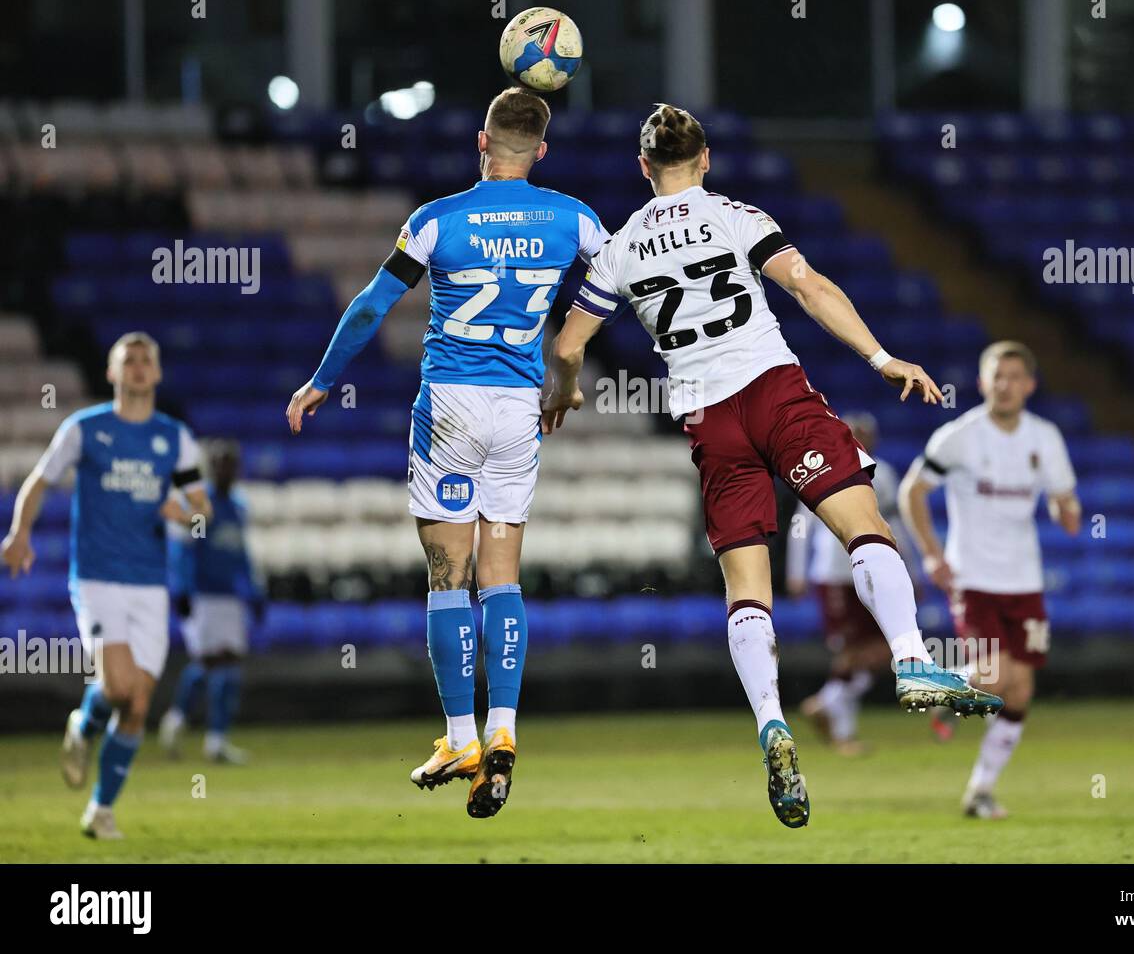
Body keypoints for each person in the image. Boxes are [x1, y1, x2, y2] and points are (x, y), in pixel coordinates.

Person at [541, 103, 1002, 829]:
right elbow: (809, 286)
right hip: (774, 391)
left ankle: (770, 723)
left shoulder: (621, 246)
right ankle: (911, 656)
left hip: (709, 420)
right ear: (706, 159)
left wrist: (565, 389)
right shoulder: (734, 214)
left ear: (643, 168)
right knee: (862, 524)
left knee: (746, 587)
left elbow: (568, 346)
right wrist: (882, 359)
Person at [286, 87, 609, 819]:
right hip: (519, 412)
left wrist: (320, 382)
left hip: (452, 408)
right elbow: (617, 284)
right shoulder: (574, 218)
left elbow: (371, 304)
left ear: (480, 142)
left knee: (446, 577)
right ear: (543, 152)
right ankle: (505, 733)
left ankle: (463, 735)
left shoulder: (436, 221)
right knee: (502, 577)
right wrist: (568, 371)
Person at [2, 332, 211, 839]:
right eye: (128, 360)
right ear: (112, 374)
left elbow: (202, 513)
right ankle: (84, 724)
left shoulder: (174, 437)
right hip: (97, 580)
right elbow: (40, 479)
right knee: (120, 689)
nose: (139, 367)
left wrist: (181, 514)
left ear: (157, 374)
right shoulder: (85, 429)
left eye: (146, 360)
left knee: (138, 704)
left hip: (149, 585)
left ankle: (100, 808)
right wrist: (19, 532)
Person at [899, 340, 1080, 819]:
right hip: (973, 576)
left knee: (1019, 691)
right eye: (997, 376)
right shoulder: (960, 436)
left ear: (1030, 385)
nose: (1005, 385)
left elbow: (1066, 497)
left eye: (1015, 376)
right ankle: (942, 687)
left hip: (1025, 580)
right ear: (982, 382)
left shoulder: (1045, 438)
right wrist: (933, 556)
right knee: (997, 678)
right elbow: (912, 492)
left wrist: (1068, 511)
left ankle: (980, 789)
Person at [787, 413, 919, 754]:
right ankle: (839, 726)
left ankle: (829, 707)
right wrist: (797, 570)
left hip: (874, 572)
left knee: (874, 651)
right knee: (851, 652)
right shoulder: (818, 466)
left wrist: (911, 570)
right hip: (834, 573)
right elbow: (801, 525)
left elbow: (896, 526)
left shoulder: (883, 474)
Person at [159, 439, 265, 764]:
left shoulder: (237, 506)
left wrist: (253, 591)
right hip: (203, 595)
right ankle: (193, 728)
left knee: (221, 665)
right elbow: (184, 549)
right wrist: (183, 589)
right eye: (221, 463)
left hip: (229, 597)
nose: (227, 470)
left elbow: (240, 553)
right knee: (216, 662)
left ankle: (202, 733)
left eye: (232, 464)